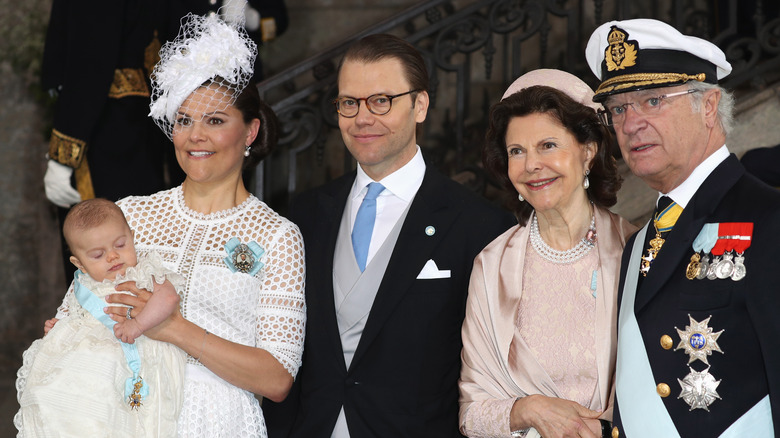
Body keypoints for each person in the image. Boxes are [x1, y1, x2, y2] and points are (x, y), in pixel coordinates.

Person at [263, 34, 515, 438]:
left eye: (382, 100)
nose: (363, 118)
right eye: (349, 103)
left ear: (420, 105)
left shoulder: (482, 227)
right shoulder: (304, 215)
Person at [101, 10, 306, 437]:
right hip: (125, 414)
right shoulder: (131, 215)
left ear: (250, 131)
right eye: (184, 119)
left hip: (220, 422)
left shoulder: (278, 236)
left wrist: (174, 329)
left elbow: (277, 379)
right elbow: (87, 315)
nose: (196, 135)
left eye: (215, 120)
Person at [585, 18, 780, 437]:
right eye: (618, 108)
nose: (630, 123)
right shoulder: (639, 241)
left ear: (708, 106)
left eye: (652, 101)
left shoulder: (769, 217)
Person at [458, 69, 637, 438]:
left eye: (548, 145)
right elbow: (471, 415)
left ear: (588, 151)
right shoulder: (491, 265)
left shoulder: (635, 250)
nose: (531, 165)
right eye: (516, 151)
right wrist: (530, 409)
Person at [41, 0, 186, 284]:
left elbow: (91, 60)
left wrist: (64, 154)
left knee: (101, 256)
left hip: (102, 132)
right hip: (137, 125)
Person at [15, 198, 186, 436]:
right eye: (98, 255)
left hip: (131, 351)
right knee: (52, 391)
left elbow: (168, 300)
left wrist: (138, 324)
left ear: (132, 237)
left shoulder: (144, 271)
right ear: (80, 264)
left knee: (108, 392)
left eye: (120, 244)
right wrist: (58, 329)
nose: (113, 257)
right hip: (87, 357)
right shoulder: (83, 284)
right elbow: (76, 315)